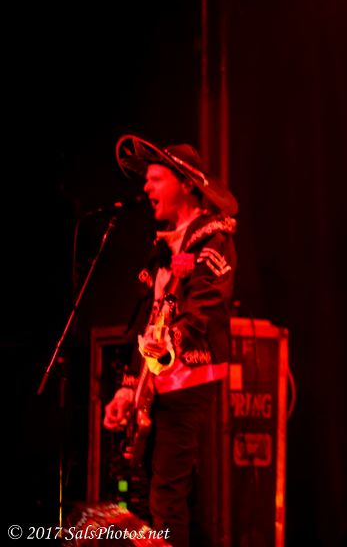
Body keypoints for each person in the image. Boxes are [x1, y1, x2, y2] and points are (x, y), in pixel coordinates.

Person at [102, 135, 239, 547]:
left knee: (168, 497)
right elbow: (145, 322)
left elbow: (204, 310)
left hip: (190, 381)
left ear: (186, 184)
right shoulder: (162, 246)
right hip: (160, 382)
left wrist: (169, 341)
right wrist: (128, 388)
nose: (146, 187)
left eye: (156, 179)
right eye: (146, 180)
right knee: (151, 495)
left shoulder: (214, 239)